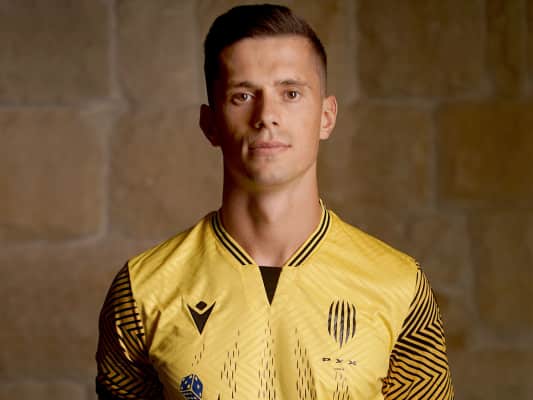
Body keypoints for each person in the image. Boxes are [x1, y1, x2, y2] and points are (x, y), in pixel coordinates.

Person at [95, 4, 454, 399]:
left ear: (326, 116)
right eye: (242, 95)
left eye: (291, 93)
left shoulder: (399, 285)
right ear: (210, 124)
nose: (267, 115)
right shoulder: (143, 290)